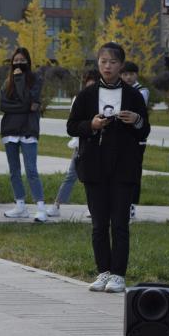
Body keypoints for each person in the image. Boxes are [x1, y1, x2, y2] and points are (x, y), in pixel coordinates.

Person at [67, 42, 149, 294]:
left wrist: (136, 120)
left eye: (113, 62)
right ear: (98, 63)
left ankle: (118, 275)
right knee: (99, 224)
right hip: (95, 166)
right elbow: (72, 126)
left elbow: (144, 130)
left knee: (120, 223)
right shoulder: (87, 95)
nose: (108, 66)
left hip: (123, 166)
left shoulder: (133, 95)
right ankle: (103, 271)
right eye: (103, 61)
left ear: (121, 65)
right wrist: (91, 125)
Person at [0, 47, 47, 223]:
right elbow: (3, 105)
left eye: (22, 60)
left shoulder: (36, 80)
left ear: (28, 61)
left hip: (28, 129)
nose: (18, 63)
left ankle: (40, 208)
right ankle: (20, 205)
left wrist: (20, 79)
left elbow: (29, 100)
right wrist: (25, 107)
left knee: (31, 170)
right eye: (16, 60)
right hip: (10, 130)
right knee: (14, 171)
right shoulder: (7, 82)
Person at [48, 69, 99, 218]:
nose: (90, 89)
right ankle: (57, 205)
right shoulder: (79, 99)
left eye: (94, 86)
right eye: (88, 85)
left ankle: (94, 207)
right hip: (81, 145)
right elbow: (74, 124)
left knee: (95, 178)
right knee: (71, 175)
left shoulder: (103, 101)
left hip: (98, 145)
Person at [120, 61, 149, 219]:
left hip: (138, 138)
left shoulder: (142, 91)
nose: (128, 77)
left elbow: (135, 109)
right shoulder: (118, 89)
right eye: (125, 74)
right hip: (122, 138)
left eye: (131, 74)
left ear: (136, 75)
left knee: (134, 173)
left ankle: (131, 205)